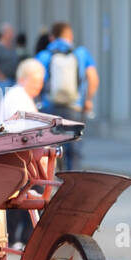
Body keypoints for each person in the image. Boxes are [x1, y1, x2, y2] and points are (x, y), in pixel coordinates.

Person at [0, 59, 47, 251]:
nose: (39, 86)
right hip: (18, 160)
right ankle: (21, 239)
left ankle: (21, 238)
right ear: (24, 79)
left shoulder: (20, 95)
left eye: (41, 82)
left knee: (28, 194)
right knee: (27, 195)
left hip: (20, 159)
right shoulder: (18, 97)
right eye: (36, 81)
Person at [36, 21, 99, 171]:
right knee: (74, 150)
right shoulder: (81, 53)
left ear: (52, 37)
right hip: (74, 108)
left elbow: (36, 79)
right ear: (70, 35)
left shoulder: (44, 55)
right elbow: (93, 78)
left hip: (49, 107)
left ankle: (50, 183)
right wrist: (88, 100)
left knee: (50, 148)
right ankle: (72, 186)